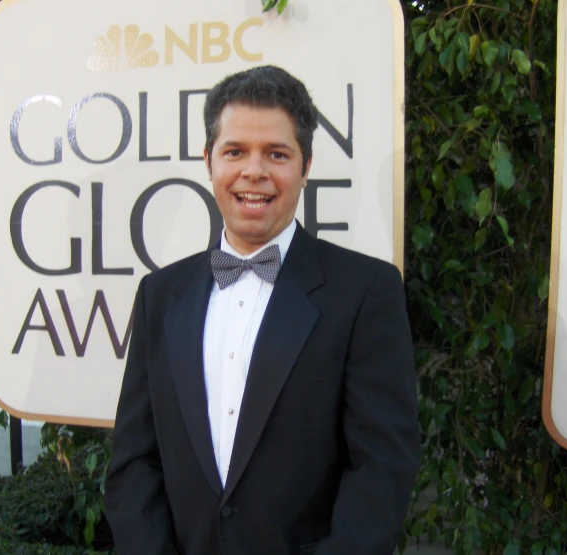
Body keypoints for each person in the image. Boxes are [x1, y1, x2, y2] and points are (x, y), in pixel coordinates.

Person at [105, 65, 420, 555]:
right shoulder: (159, 295)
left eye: (276, 153)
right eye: (235, 152)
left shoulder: (366, 292)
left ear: (306, 165)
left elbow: (382, 470)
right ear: (208, 161)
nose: (254, 171)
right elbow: (134, 461)